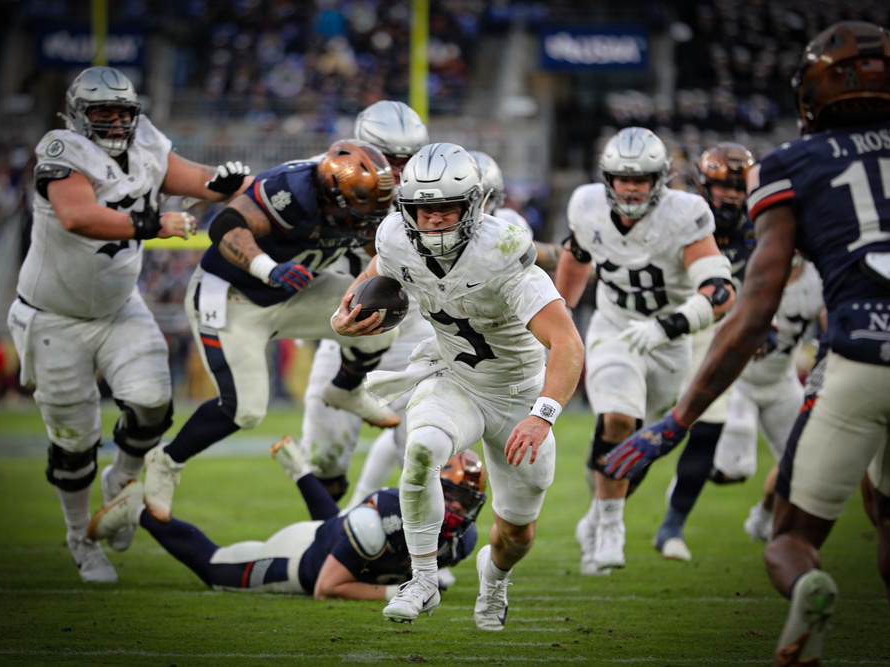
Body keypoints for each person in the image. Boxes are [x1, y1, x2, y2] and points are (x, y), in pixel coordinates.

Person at [601, 21, 890, 666]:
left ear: (813, 92)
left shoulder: (792, 164)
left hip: (861, 359)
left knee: (789, 542)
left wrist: (676, 421)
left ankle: (810, 588)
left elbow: (753, 308)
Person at [5, 65, 252, 584]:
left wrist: (225, 183)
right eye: (103, 112)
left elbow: (190, 178)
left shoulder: (146, 147)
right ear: (78, 116)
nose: (116, 122)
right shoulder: (61, 150)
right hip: (53, 316)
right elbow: (77, 216)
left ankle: (121, 486)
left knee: (152, 405)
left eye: (122, 111)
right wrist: (153, 224)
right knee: (74, 443)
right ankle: (81, 539)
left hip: (119, 308)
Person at [332, 142, 584, 629]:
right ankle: (422, 579)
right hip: (458, 379)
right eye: (423, 210)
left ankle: (495, 578)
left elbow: (567, 342)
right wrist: (342, 318)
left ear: (474, 206)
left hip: (519, 395)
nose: (434, 220)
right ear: (407, 210)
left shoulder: (503, 250)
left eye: (446, 207)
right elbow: (370, 280)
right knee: (422, 448)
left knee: (516, 534)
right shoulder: (395, 239)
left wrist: (543, 413)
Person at [142, 138, 401, 526]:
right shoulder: (292, 188)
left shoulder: (365, 206)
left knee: (380, 316)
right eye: (360, 206)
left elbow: (374, 251)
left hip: (293, 290)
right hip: (233, 295)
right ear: (332, 191)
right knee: (244, 410)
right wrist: (268, 268)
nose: (366, 217)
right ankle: (166, 461)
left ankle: (344, 389)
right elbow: (227, 226)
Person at [554, 127, 735, 574]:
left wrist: (668, 325)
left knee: (643, 444)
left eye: (641, 178)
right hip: (614, 326)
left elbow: (720, 292)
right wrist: (559, 313)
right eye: (622, 178)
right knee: (617, 417)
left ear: (661, 180)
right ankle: (611, 527)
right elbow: (576, 256)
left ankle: (597, 516)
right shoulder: (587, 205)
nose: (631, 187)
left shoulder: (685, 213)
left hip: (668, 340)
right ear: (607, 178)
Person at [88, 441, 485, 599]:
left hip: (334, 537)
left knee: (348, 531)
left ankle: (299, 470)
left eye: (463, 502)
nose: (453, 510)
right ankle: (137, 509)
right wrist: (400, 594)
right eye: (448, 495)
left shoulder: (460, 542)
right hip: (296, 562)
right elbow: (328, 586)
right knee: (214, 568)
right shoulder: (381, 518)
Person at [296, 100, 432, 502]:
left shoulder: (431, 191)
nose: (399, 169)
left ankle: (424, 559)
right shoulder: (324, 178)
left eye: (407, 158)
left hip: (416, 329)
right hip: (348, 325)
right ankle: (330, 548)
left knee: (427, 451)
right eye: (390, 158)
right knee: (324, 459)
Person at [652, 142, 757, 562]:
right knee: (635, 421)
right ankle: (607, 511)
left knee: (709, 428)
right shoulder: (683, 214)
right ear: (703, 184)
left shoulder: (761, 222)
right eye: (722, 186)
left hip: (717, 330)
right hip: (669, 324)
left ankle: (672, 526)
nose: (731, 195)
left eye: (737, 187)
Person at [713, 256, 825, 542]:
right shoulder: (749, 267)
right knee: (736, 466)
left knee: (802, 461)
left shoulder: (819, 277)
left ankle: (763, 516)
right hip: (738, 379)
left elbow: (834, 330)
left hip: (783, 381)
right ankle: (693, 474)